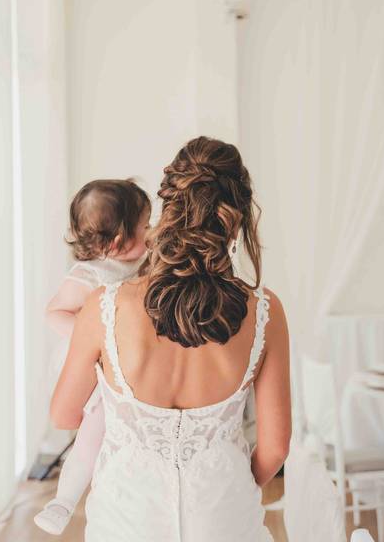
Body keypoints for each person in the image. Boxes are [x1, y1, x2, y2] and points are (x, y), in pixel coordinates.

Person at [50, 137, 291, 541]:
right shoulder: (265, 311)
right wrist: (225, 480)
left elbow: (63, 416)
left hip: (128, 518)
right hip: (224, 517)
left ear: (170, 208)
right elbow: (276, 447)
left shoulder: (103, 306)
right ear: (236, 219)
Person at [34, 179, 151, 535]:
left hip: (130, 359)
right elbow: (55, 312)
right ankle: (64, 500)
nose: (150, 232)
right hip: (96, 365)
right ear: (118, 241)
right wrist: (93, 338)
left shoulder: (143, 257)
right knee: (94, 428)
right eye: (145, 226)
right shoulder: (89, 275)